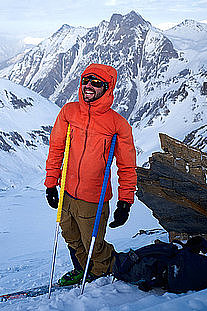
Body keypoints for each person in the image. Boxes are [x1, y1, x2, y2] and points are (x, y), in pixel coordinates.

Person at [44, 63, 137, 286]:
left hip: (93, 198)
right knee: (71, 237)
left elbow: (126, 166)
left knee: (93, 244)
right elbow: (56, 147)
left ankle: (103, 273)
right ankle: (84, 270)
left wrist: (125, 202)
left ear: (107, 88)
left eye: (96, 83)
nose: (88, 86)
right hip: (67, 191)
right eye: (86, 81)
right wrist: (51, 183)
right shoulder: (69, 112)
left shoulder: (117, 124)